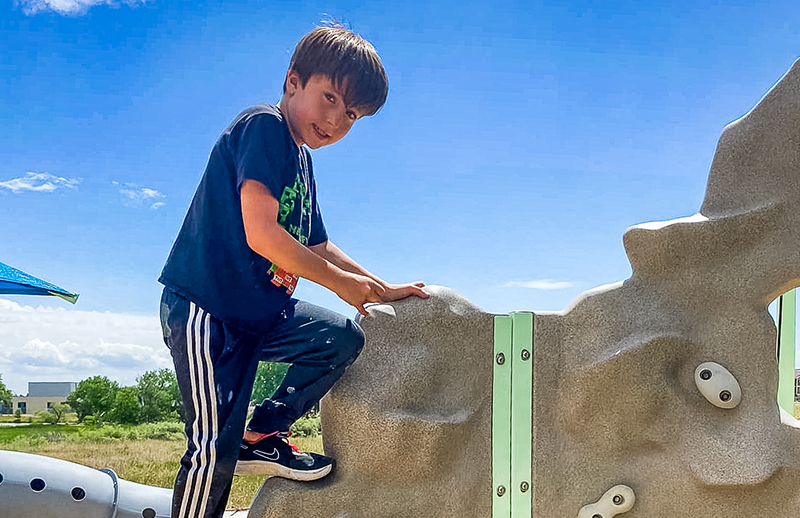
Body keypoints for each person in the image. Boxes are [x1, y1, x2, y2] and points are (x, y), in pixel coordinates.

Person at [158, 24, 428, 518]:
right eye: (329, 98)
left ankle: (262, 433)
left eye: (351, 115)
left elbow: (318, 244)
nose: (336, 120)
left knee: (340, 338)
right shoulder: (264, 127)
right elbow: (262, 234)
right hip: (208, 308)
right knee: (212, 451)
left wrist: (377, 285)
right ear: (292, 82)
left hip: (262, 314)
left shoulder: (302, 161)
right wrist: (339, 283)